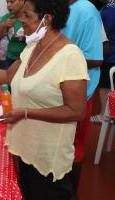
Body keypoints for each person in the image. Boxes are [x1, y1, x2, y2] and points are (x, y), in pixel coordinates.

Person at [0, 0, 89, 199]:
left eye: (27, 16)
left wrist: (25, 112)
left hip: (47, 158)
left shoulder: (70, 56)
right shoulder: (32, 48)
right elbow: (8, 77)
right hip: (25, 149)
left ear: (48, 19)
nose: (21, 20)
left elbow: (76, 110)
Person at [61, 1, 103, 199]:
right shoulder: (62, 8)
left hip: (79, 90)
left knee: (74, 147)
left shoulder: (86, 10)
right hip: (60, 87)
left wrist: (57, 57)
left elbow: (96, 57)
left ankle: (71, 194)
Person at [95, 0, 115, 124]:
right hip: (111, 52)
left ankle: (104, 115)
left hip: (110, 54)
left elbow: (104, 32)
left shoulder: (110, 8)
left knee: (106, 84)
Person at [0, 0, 26, 69]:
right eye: (7, 2)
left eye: (12, 1)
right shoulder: (6, 18)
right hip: (9, 58)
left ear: (22, 1)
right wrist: (3, 26)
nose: (8, 5)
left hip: (25, 59)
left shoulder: (31, 17)